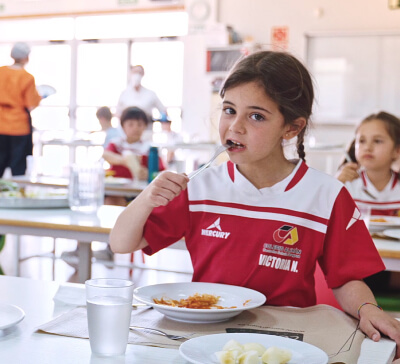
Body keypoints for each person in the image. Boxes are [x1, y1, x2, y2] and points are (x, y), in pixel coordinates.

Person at [109, 51, 400, 356]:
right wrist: (146, 198)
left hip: (287, 341)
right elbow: (121, 242)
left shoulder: (326, 194)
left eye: (256, 116)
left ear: (291, 128)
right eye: (229, 110)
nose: (235, 127)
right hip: (203, 340)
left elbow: (346, 279)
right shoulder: (199, 187)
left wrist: (368, 308)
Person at [336, 111, 400, 294]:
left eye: (377, 141)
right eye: (361, 141)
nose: (368, 147)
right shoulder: (346, 184)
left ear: (397, 150)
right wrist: (336, 184)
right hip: (357, 265)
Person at [103, 106, 165, 206]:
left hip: (141, 193)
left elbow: (160, 171)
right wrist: (125, 160)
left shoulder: (150, 148)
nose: (135, 128)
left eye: (140, 124)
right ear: (123, 126)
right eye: (131, 124)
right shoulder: (117, 143)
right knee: (113, 202)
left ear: (145, 126)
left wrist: (148, 174)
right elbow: (106, 155)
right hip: (117, 192)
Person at [0, 42, 42, 177]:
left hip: (1, 124)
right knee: (18, 166)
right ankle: (17, 194)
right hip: (19, 127)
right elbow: (31, 105)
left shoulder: (1, 72)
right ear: (25, 57)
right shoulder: (27, 78)